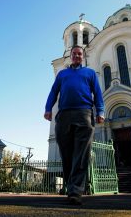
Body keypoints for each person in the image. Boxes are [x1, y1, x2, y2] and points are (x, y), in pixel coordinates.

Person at [44, 45, 104, 205]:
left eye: (79, 54)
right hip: (64, 115)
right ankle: (70, 186)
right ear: (70, 56)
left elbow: (97, 93)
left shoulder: (90, 73)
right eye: (74, 54)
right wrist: (48, 108)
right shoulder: (62, 74)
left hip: (84, 114)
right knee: (66, 153)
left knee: (82, 153)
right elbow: (53, 92)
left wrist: (101, 111)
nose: (77, 56)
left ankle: (75, 192)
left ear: (82, 57)